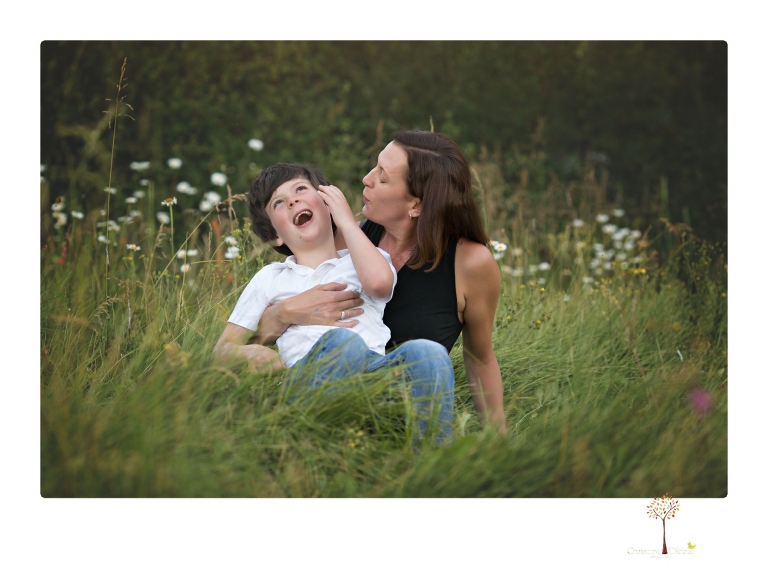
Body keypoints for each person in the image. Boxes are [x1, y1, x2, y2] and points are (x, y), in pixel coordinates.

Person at [250, 131, 507, 434]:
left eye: (382, 177)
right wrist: (283, 314)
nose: (366, 179)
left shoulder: (471, 264)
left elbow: (480, 357)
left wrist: (497, 439)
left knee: (428, 354)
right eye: (375, 166)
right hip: (329, 405)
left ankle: (433, 466)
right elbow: (258, 341)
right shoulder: (348, 238)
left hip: (400, 405)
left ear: (417, 206)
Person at [212, 163, 397, 390]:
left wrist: (347, 222)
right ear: (275, 235)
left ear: (328, 202)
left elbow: (380, 284)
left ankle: (415, 424)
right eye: (278, 202)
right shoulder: (270, 278)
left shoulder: (364, 260)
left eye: (300, 189)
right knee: (345, 344)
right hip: (305, 375)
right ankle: (314, 420)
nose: (292, 201)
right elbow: (222, 351)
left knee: (428, 353)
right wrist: (248, 353)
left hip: (373, 372)